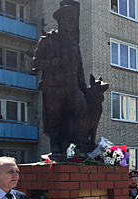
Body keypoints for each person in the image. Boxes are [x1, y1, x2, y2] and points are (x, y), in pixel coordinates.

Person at [32, 5, 89, 155]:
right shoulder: (47, 40)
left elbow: (80, 69)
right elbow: (35, 63)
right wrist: (52, 63)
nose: (70, 24)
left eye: (72, 21)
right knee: (55, 118)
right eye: (67, 20)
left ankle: (79, 140)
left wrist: (84, 89)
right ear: (60, 21)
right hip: (53, 87)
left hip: (72, 86)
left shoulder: (74, 45)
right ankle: (56, 148)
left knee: (82, 107)